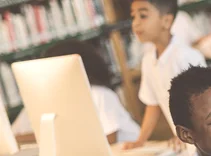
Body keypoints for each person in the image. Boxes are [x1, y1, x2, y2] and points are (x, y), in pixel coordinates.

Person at [11, 40, 140, 145]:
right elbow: (13, 137)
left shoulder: (99, 95)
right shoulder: (42, 100)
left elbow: (108, 140)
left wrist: (51, 137)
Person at [123, 0, 207, 150]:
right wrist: (140, 140)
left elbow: (204, 103)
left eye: (143, 16)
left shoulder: (186, 56)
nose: (135, 23)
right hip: (186, 144)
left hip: (205, 139)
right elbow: (152, 105)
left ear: (166, 21)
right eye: (133, 17)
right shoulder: (148, 61)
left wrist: (187, 132)